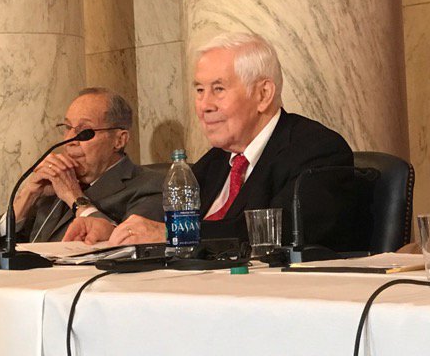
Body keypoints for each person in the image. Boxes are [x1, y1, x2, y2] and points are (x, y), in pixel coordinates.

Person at [65, 33, 357, 249]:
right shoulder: (216, 162)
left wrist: (171, 235)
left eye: (218, 89)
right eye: (199, 90)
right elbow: (165, 223)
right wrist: (114, 230)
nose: (204, 105)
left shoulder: (316, 150)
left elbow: (281, 233)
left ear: (263, 94)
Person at [0, 88, 164, 247]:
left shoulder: (151, 186)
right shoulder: (52, 187)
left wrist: (74, 197)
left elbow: (127, 244)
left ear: (119, 140)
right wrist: (27, 197)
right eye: (67, 128)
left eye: (84, 131)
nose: (69, 140)